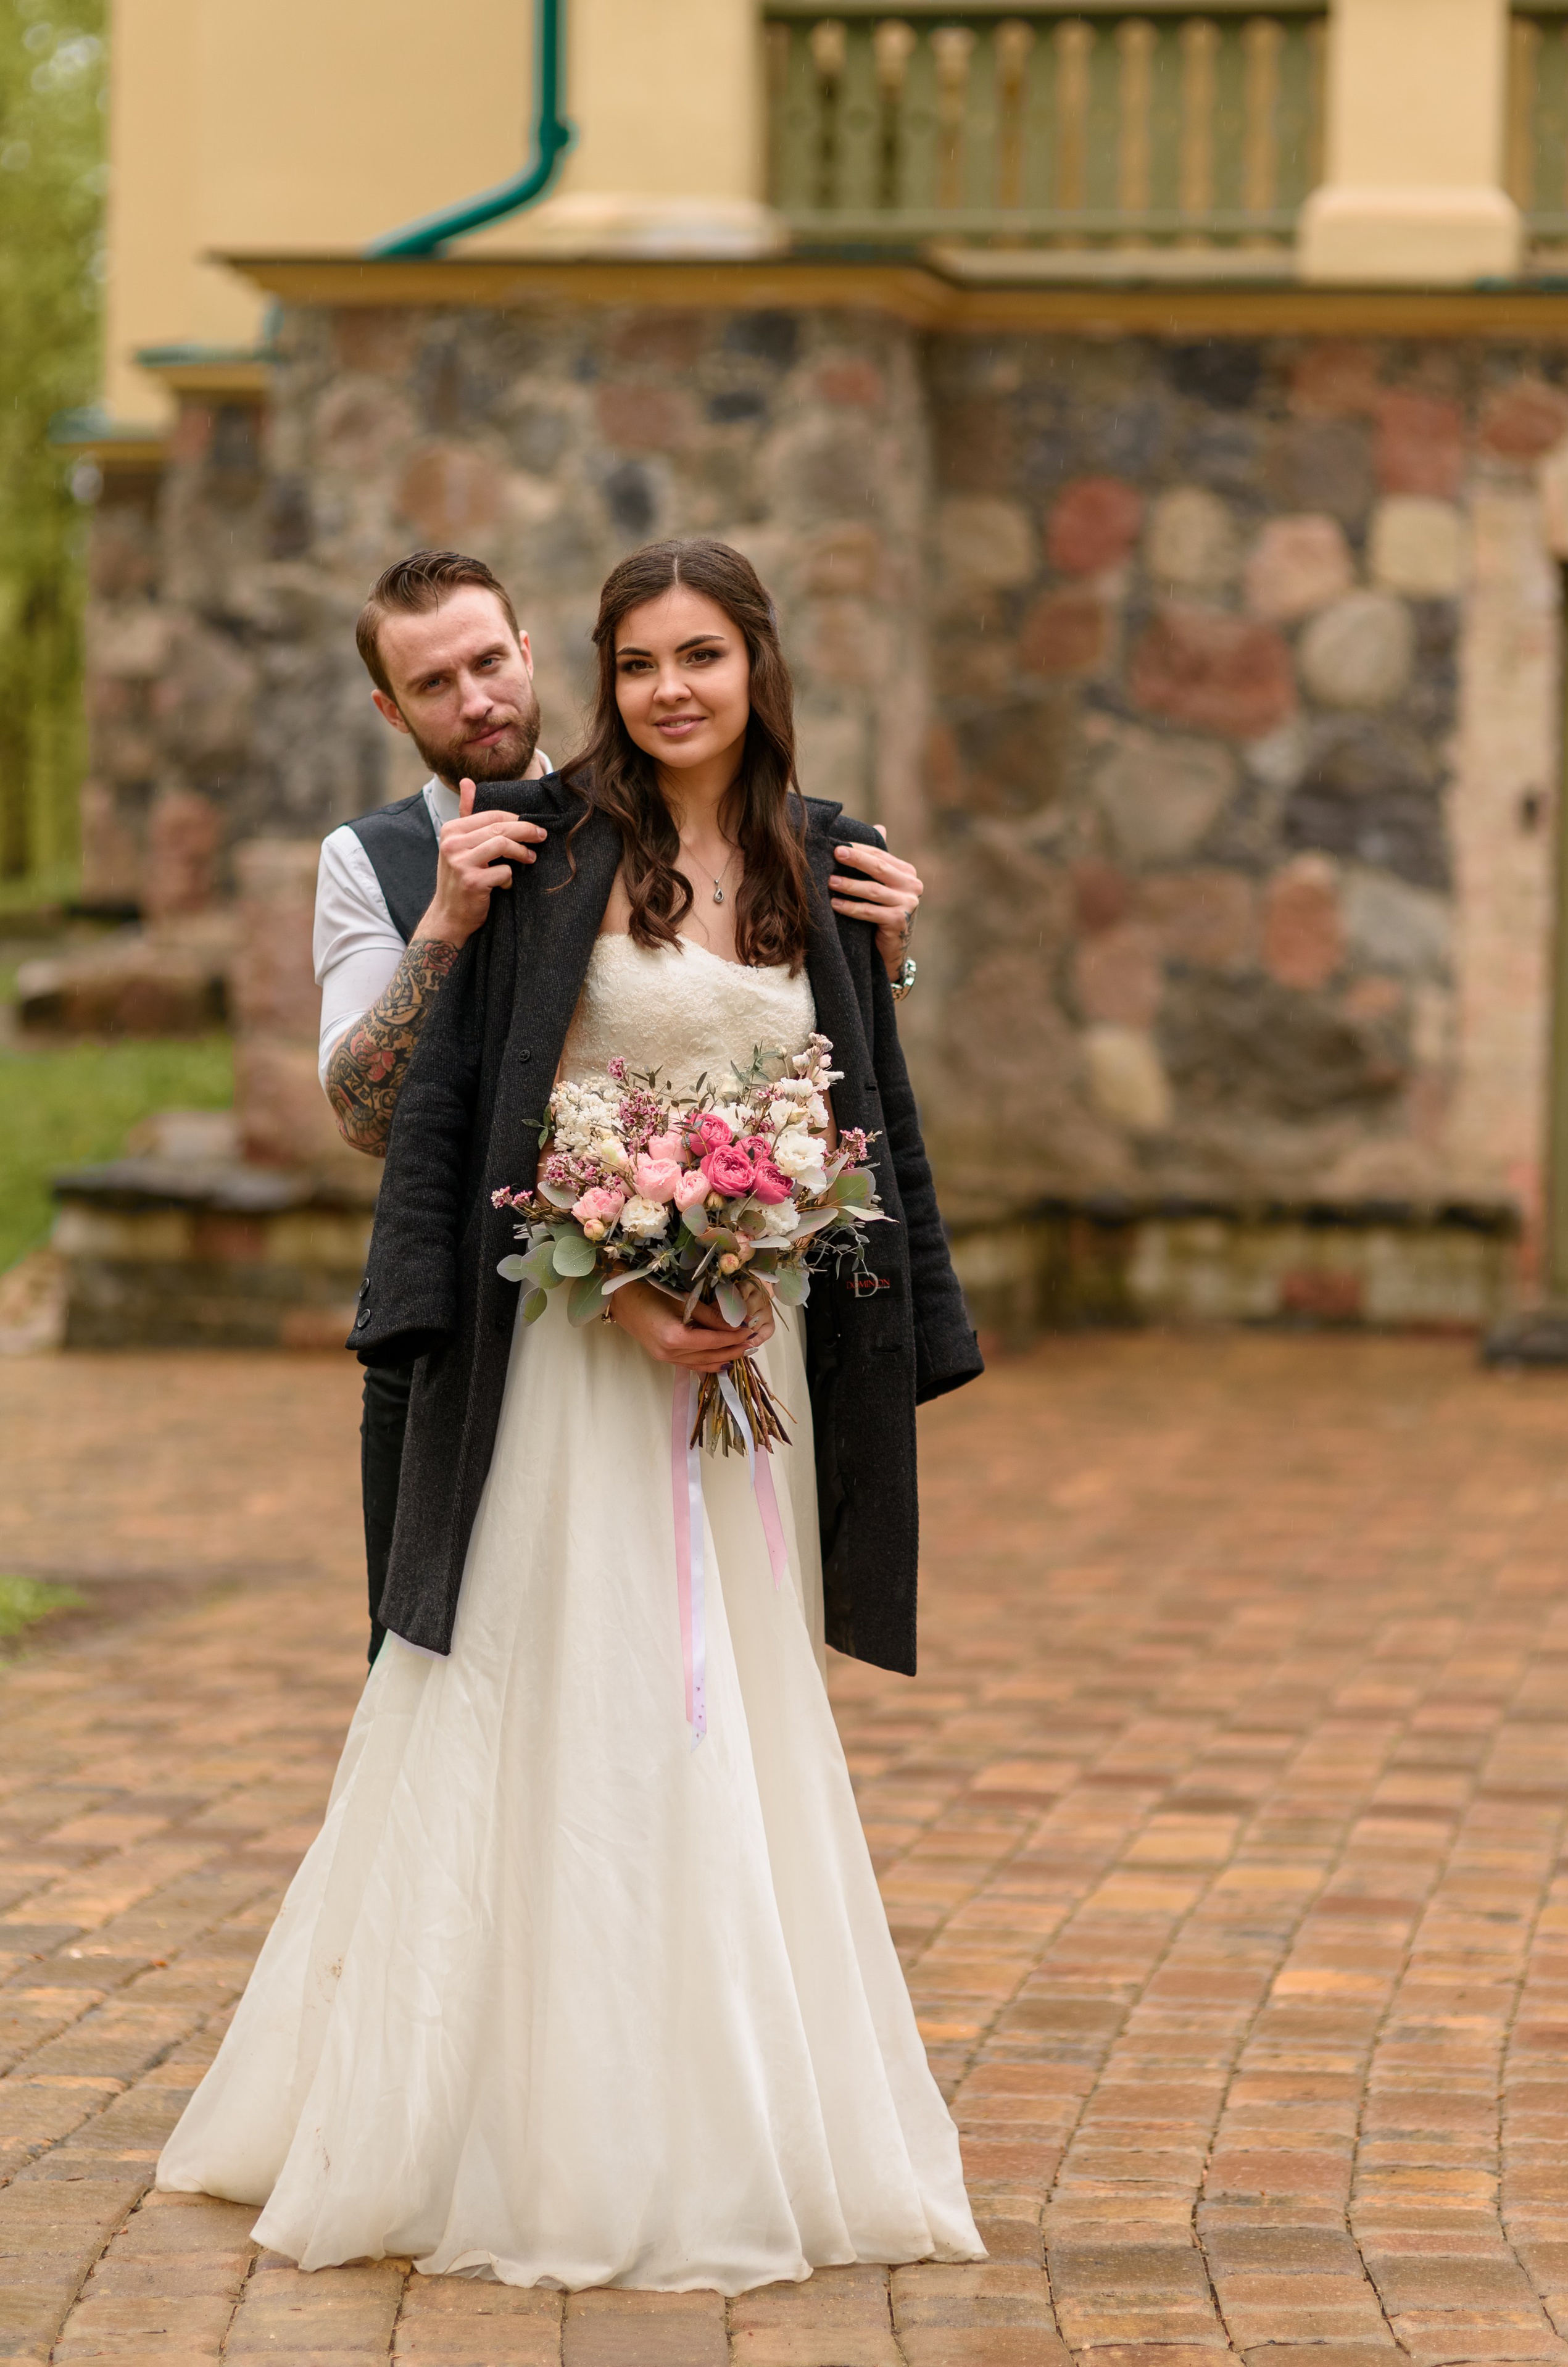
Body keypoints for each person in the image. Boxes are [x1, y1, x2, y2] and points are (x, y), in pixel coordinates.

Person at [158, 538, 984, 2294]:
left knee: (716, 1732)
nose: (664, 688)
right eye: (641, 663)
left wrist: (767, 1239)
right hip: (564, 1362)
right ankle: (498, 2105)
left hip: (732, 1360)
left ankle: (723, 2098)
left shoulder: (817, 852)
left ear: (751, 662)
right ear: (395, 707)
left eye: (699, 655)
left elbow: (840, 1095)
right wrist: (616, 1268)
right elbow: (437, 1118)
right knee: (540, 1696)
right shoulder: (467, 868)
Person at [313, 549, 553, 1661]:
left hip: (629, 1335)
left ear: (526, 650)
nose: (477, 701)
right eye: (434, 685)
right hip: (438, 1324)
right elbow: (363, 1114)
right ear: (387, 706)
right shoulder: (368, 860)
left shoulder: (633, 820)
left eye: (489, 662)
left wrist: (888, 961)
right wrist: (444, 926)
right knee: (422, 1673)